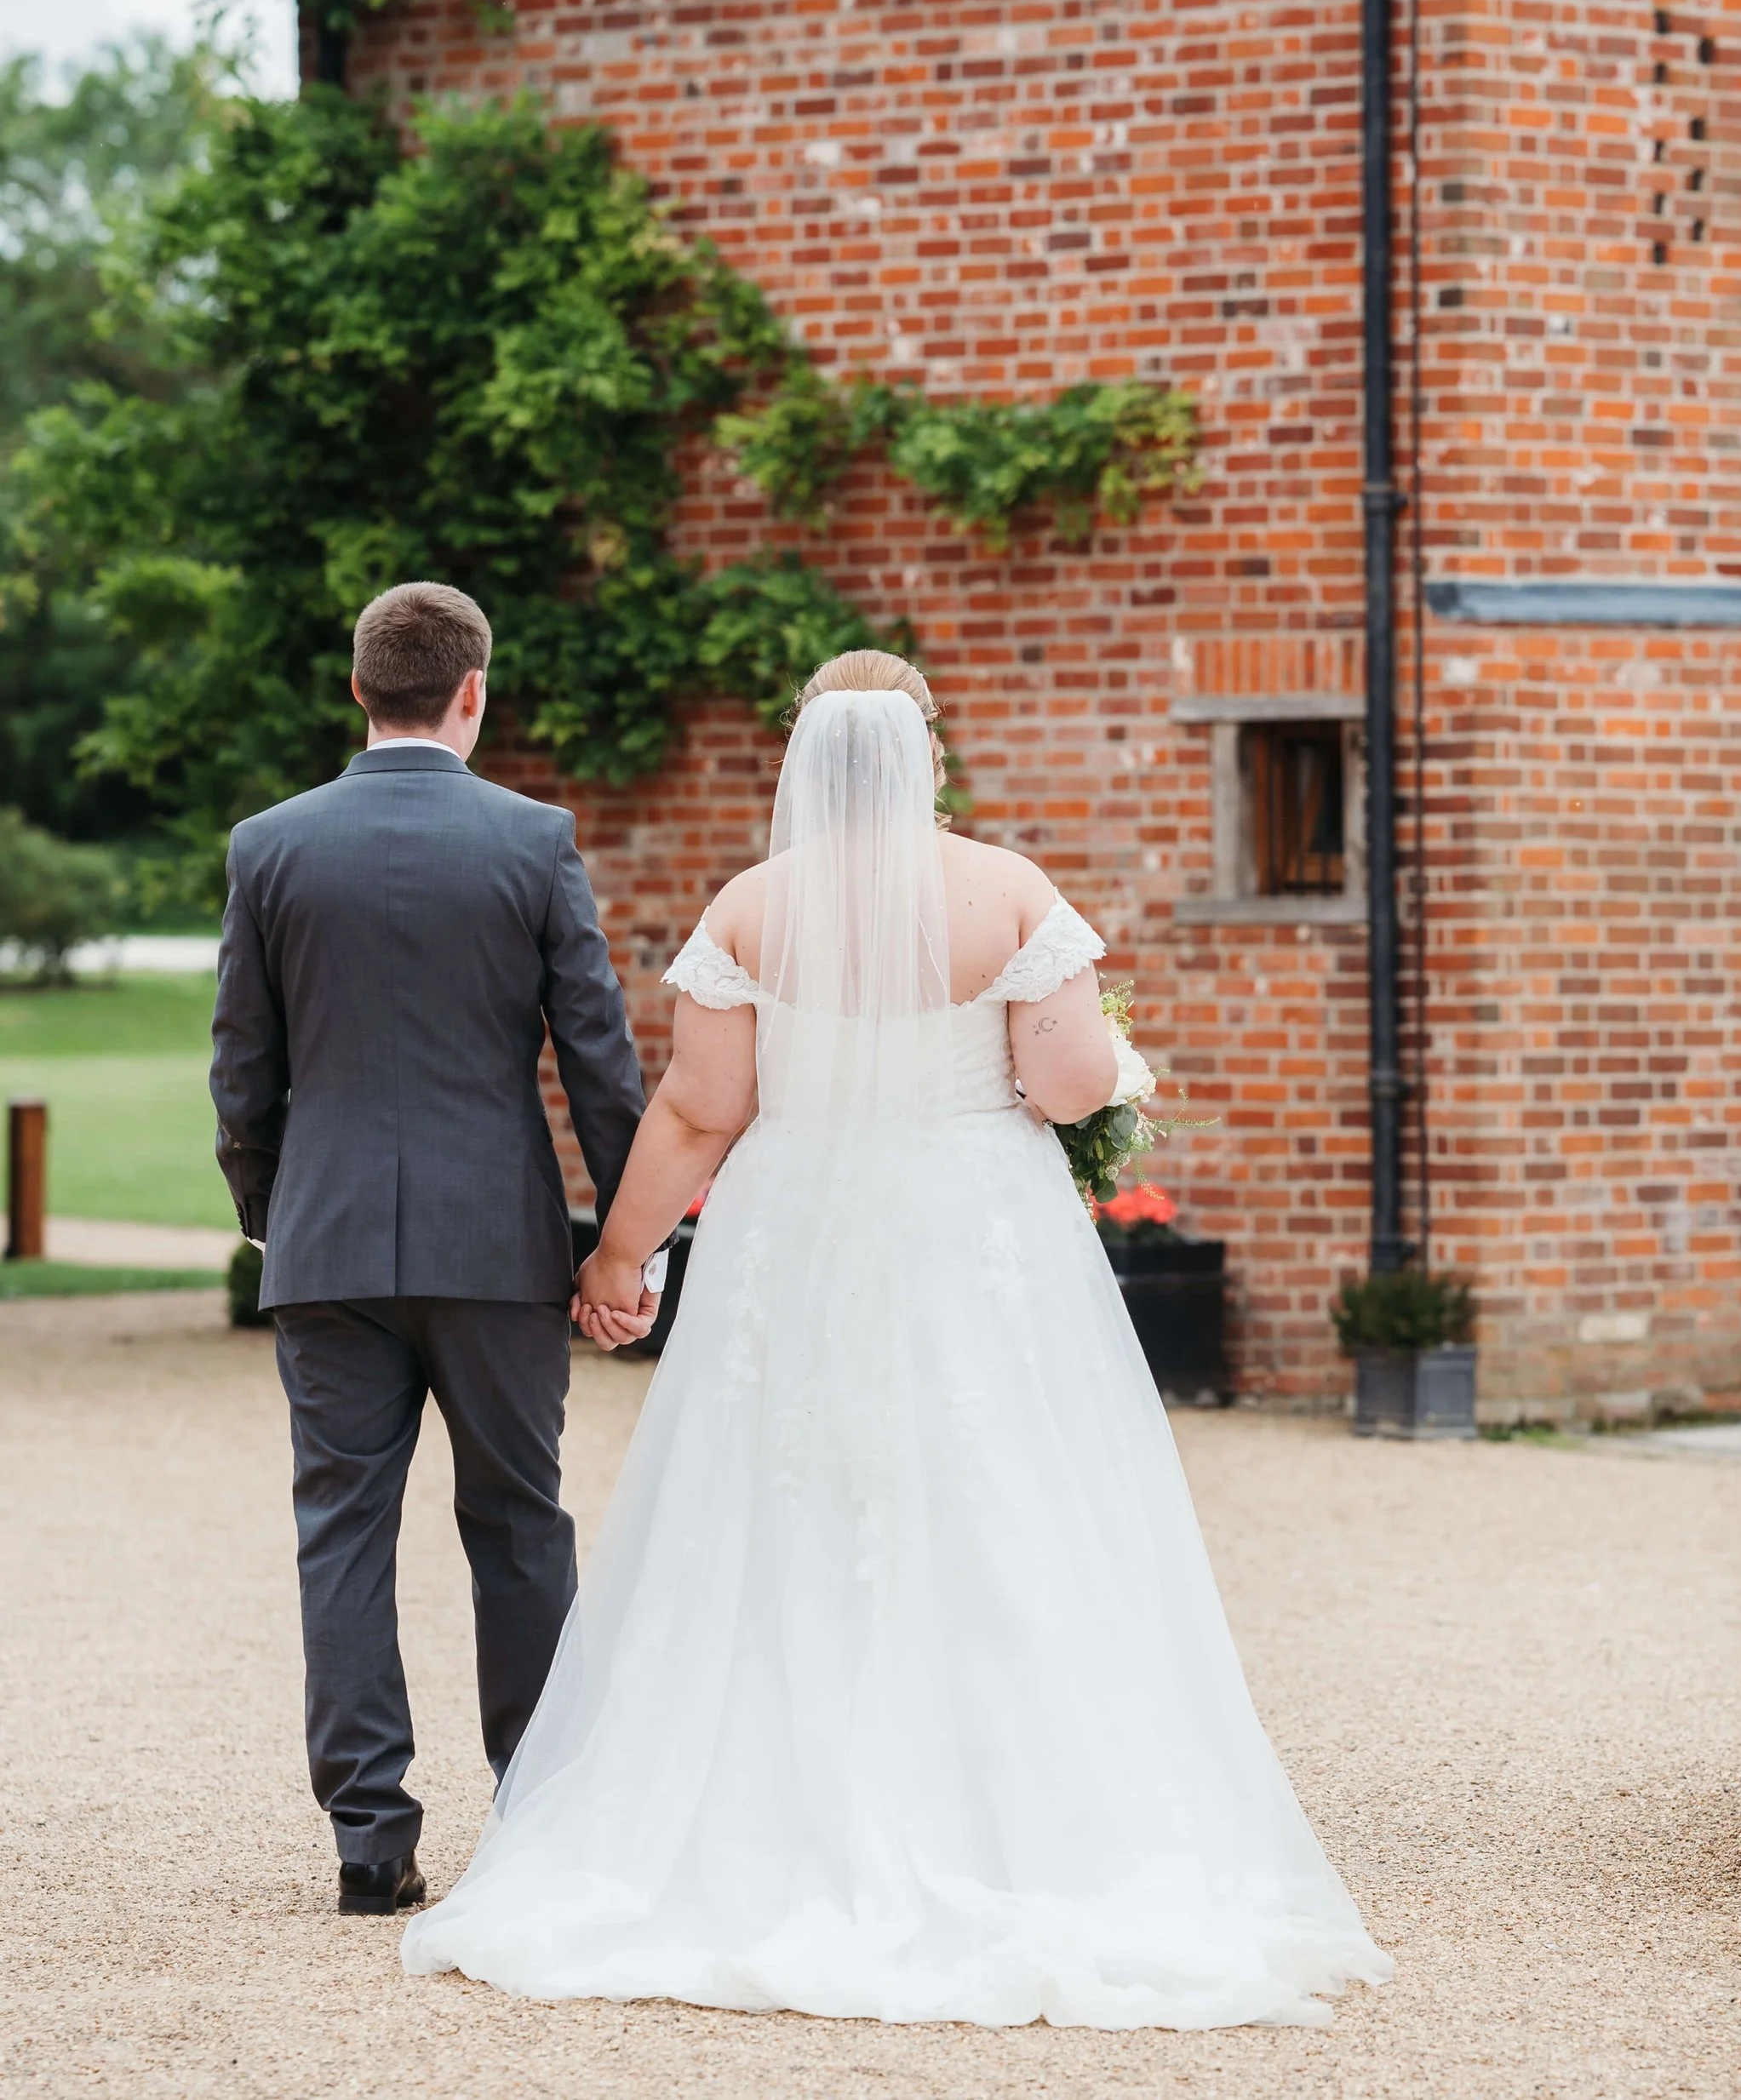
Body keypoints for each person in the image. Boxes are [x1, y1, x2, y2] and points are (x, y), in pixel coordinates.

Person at [403, 649, 1390, 2027]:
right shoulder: (1008, 893)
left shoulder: (752, 907)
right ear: (926, 747)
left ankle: (749, 1819)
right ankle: (1028, 1821)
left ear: (804, 755)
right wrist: (1110, 1058)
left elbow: (697, 1110)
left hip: (793, 1231)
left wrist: (617, 1259)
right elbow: (1061, 1082)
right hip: (969, 1230)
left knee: (778, 1506)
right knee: (1004, 1493)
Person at [210, 581, 647, 1916]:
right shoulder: (534, 841)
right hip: (496, 1247)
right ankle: (536, 1807)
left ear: (358, 689)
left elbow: (243, 1072)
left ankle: (368, 1836)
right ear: (474, 691)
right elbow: (599, 1056)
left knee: (339, 1529)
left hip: (328, 1243)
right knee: (519, 1519)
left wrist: (275, 1219)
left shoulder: (270, 847)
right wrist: (631, 1246)